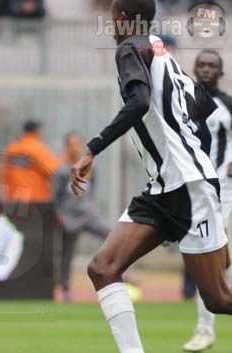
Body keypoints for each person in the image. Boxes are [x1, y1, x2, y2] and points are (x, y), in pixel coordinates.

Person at [71, 1, 230, 352]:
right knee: (103, 267)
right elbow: (202, 106)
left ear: (124, 19)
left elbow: (139, 102)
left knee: (219, 299)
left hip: (187, 186)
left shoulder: (130, 46)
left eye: (112, 17)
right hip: (166, 187)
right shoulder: (161, 51)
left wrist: (93, 148)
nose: (110, 24)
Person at [183, 49, 232, 352]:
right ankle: (205, 328)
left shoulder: (227, 105)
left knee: (214, 259)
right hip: (193, 189)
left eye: (211, 65)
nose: (205, 69)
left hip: (225, 190)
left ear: (220, 72)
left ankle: (204, 328)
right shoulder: (182, 99)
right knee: (213, 261)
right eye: (201, 64)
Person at [52, 132, 112, 301]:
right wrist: (60, 217)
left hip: (88, 214)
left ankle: (118, 274)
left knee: (113, 235)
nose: (76, 148)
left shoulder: (89, 168)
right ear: (66, 147)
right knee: (67, 254)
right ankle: (64, 289)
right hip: (70, 218)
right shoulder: (61, 171)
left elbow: (92, 190)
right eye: (72, 144)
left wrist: (92, 206)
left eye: (78, 144)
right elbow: (54, 198)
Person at [0, 120, 61, 203]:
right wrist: (65, 157)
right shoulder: (38, 148)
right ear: (37, 131)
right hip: (36, 199)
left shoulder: (11, 148)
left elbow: (4, 176)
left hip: (14, 200)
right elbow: (53, 170)